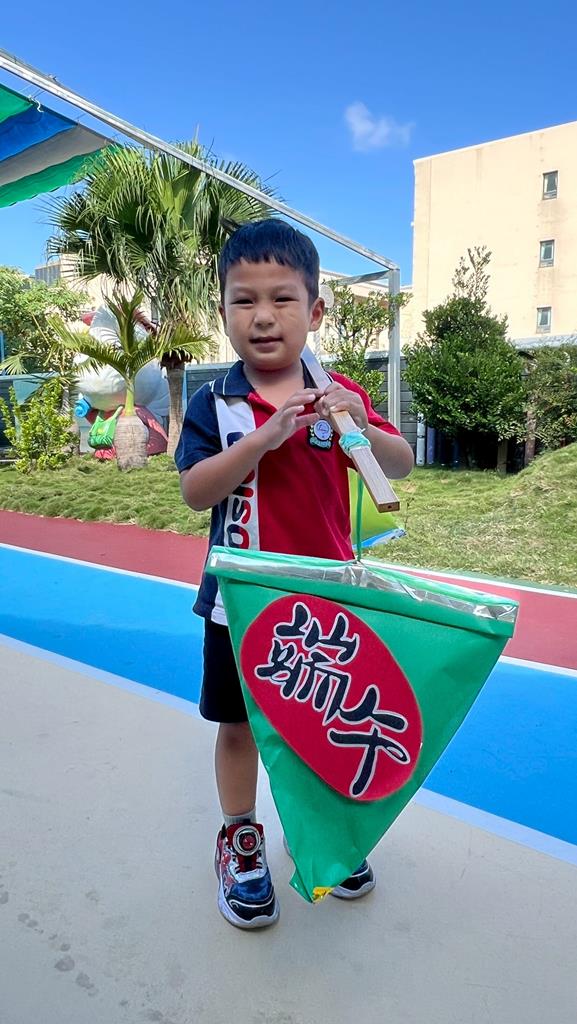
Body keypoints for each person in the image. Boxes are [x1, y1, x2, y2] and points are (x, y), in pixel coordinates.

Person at [175, 220, 414, 929]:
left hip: (326, 607)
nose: (263, 316)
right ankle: (240, 837)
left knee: (321, 720)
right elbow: (196, 492)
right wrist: (261, 438)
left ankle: (318, 829)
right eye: (243, 300)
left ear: (315, 312)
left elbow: (398, 467)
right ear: (223, 311)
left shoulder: (337, 394)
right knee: (240, 727)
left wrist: (361, 424)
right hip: (240, 607)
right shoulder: (214, 402)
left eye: (282, 299)